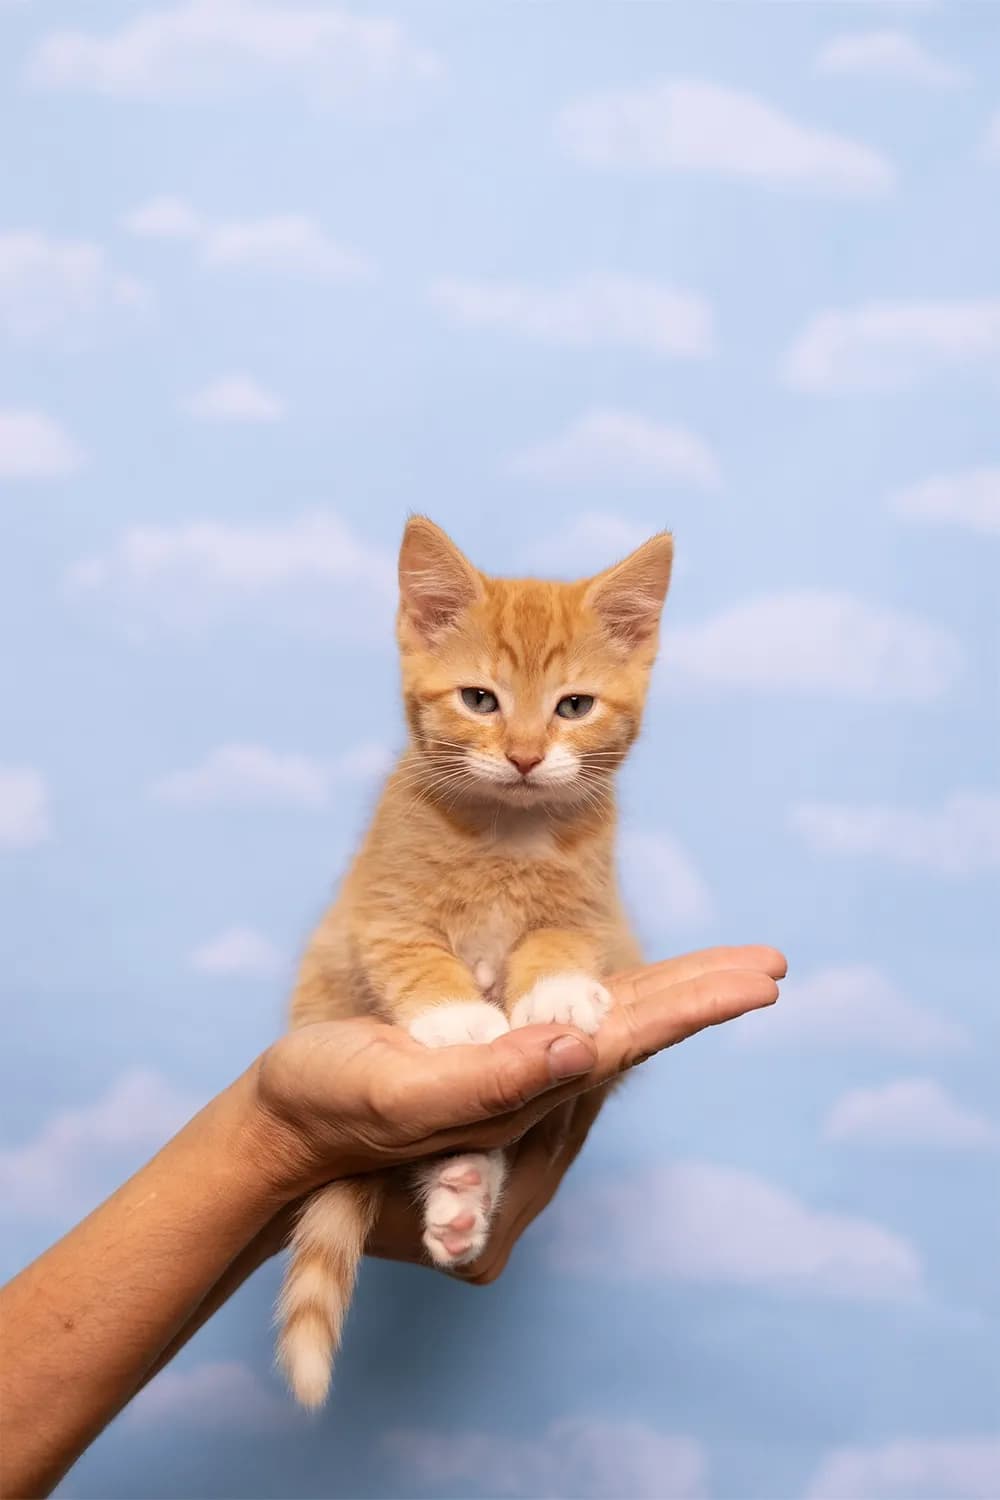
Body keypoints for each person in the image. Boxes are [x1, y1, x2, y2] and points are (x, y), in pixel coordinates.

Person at [0, 945, 784, 1500]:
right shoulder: (417, 810)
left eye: (574, 703)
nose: (523, 747)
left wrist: (283, 1153)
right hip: (396, 1015)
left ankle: (457, 1151)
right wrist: (285, 1138)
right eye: (478, 697)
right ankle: (457, 1152)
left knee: (522, 1066)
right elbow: (390, 929)